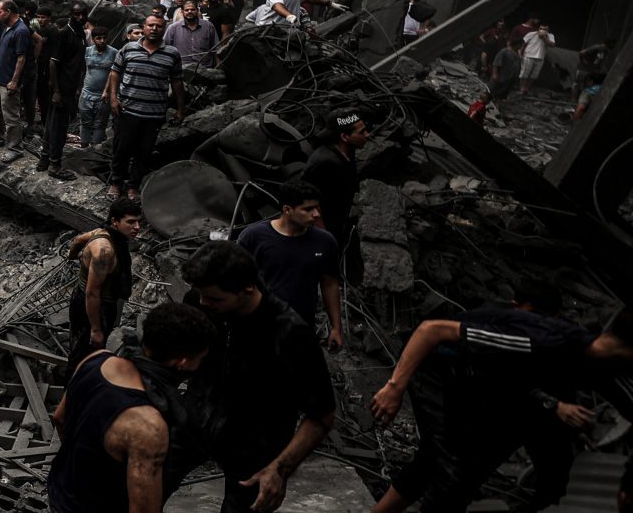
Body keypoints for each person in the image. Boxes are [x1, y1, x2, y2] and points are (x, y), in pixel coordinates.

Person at [368, 300, 633, 513]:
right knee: (452, 468)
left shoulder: (603, 365)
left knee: (448, 464)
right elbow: (431, 330)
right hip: (437, 369)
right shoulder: (540, 339)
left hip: (484, 387)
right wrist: (394, 388)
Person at [180, 241, 336, 513]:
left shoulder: (290, 334)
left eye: (214, 298)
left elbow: (321, 415)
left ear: (247, 290)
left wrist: (279, 469)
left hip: (255, 447)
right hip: (195, 421)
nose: (203, 303)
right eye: (202, 295)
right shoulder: (201, 302)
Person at [48, 301, 217, 513]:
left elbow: (59, 417)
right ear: (182, 362)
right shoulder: (148, 426)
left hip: (59, 494)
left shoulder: (96, 360)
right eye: (199, 359)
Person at [237, 181, 343, 346]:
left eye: (317, 208)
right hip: (258, 326)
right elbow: (237, 281)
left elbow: (329, 284)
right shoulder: (253, 237)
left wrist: (336, 328)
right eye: (308, 209)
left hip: (300, 327)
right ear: (287, 210)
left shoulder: (325, 242)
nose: (316, 214)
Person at [105, 15, 184, 200]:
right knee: (121, 148)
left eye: (158, 26)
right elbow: (115, 72)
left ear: (164, 29)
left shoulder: (172, 53)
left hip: (154, 113)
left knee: (144, 151)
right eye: (151, 25)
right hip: (127, 110)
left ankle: (133, 186)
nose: (154, 29)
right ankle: (116, 183)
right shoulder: (129, 48)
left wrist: (181, 109)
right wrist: (113, 98)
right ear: (144, 27)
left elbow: (177, 82)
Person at [65, 199, 144, 374]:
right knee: (85, 353)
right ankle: (73, 389)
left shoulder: (102, 231)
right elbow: (92, 293)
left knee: (80, 344)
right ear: (115, 221)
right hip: (95, 306)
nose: (137, 227)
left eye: (139, 221)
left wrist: (74, 255)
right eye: (130, 222)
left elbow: (79, 239)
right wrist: (96, 329)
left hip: (90, 299)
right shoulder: (104, 251)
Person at [304, 110, 367, 271]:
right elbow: (310, 202)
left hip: (339, 220)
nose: (368, 135)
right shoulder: (325, 164)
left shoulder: (347, 152)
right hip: (324, 226)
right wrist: (324, 238)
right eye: (361, 132)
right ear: (344, 137)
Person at [36, 5, 85, 179]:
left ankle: (44, 159)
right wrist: (56, 90)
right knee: (58, 127)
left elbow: (77, 63)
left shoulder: (80, 35)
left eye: (82, 14)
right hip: (61, 89)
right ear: (71, 15)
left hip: (69, 88)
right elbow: (53, 62)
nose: (79, 17)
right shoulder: (64, 34)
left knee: (51, 124)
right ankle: (54, 165)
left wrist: (78, 85)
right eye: (76, 14)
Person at [0, 0, 30, 151]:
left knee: (10, 116)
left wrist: (14, 81)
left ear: (8, 12)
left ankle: (15, 147)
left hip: (8, 81)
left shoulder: (21, 31)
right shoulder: (7, 27)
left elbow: (21, 58)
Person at [521, 19, 556, 95]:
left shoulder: (550, 36)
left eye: (544, 29)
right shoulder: (532, 34)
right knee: (524, 73)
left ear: (548, 30)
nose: (542, 30)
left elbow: (552, 45)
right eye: (541, 29)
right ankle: (522, 88)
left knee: (534, 75)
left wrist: (544, 38)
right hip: (528, 55)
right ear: (538, 28)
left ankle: (527, 88)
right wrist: (520, 52)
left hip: (540, 57)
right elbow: (523, 43)